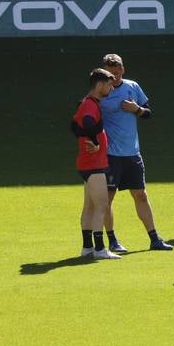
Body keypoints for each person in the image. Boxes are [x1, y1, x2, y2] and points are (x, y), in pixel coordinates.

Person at [98, 53, 172, 252]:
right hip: (111, 155)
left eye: (116, 72)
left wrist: (136, 109)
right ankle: (112, 240)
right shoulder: (101, 93)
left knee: (141, 195)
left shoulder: (132, 87)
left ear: (123, 69)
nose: (113, 78)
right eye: (109, 74)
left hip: (132, 154)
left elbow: (148, 113)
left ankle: (154, 238)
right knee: (107, 198)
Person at [73, 69, 120, 260]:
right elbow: (87, 122)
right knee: (101, 204)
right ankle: (100, 249)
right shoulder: (90, 105)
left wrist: (86, 138)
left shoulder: (85, 103)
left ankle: (87, 248)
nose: (110, 88)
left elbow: (74, 126)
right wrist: (96, 141)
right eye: (109, 85)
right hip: (94, 165)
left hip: (87, 164)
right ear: (99, 85)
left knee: (90, 207)